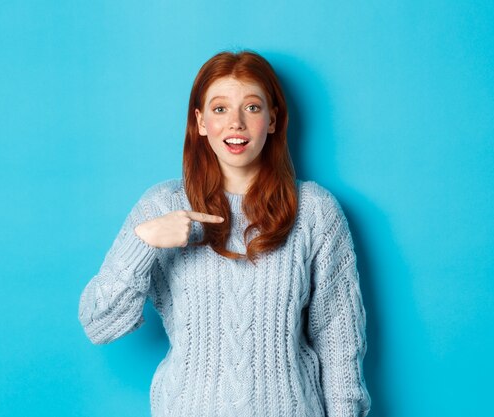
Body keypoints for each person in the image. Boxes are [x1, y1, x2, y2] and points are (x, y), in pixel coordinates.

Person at [78, 50, 371, 417]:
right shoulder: (161, 205)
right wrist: (143, 242)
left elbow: (339, 342)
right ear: (200, 122)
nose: (235, 123)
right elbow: (98, 323)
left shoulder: (314, 211)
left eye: (251, 107)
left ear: (273, 119)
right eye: (219, 109)